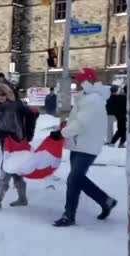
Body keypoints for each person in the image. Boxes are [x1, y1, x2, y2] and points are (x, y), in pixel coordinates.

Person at [49, 68, 117, 227]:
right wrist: (65, 128)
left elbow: (81, 124)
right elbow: (77, 121)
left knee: (74, 179)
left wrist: (61, 133)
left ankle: (69, 215)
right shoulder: (86, 97)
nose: (76, 82)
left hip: (87, 146)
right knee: (77, 179)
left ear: (87, 80)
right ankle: (106, 201)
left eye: (79, 80)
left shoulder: (92, 99)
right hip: (80, 145)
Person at [0, 82, 36, 209]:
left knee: (8, 167)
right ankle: (22, 197)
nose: (1, 97)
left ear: (8, 94)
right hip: (6, 142)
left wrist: (28, 134)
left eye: (3, 94)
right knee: (12, 168)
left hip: (17, 140)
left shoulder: (17, 106)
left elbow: (31, 116)